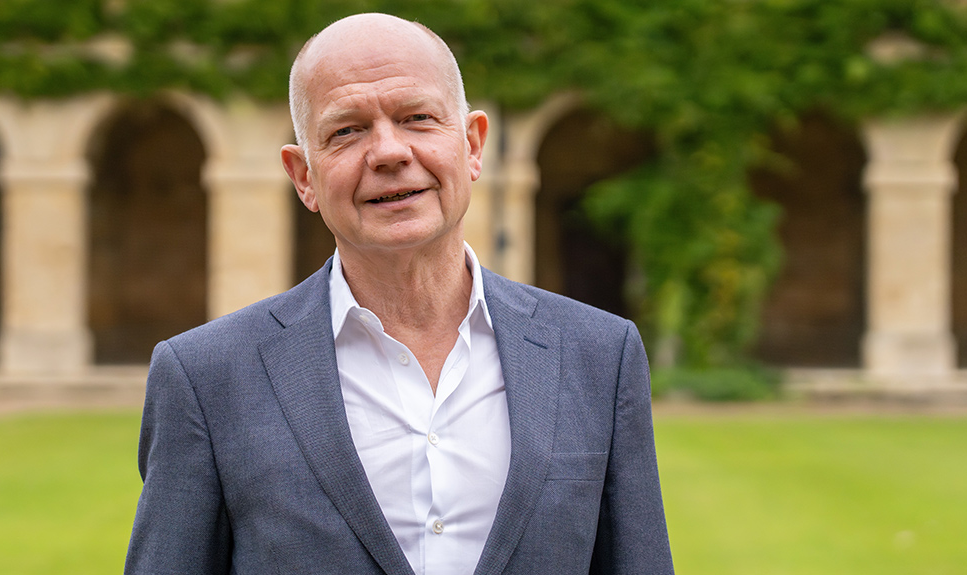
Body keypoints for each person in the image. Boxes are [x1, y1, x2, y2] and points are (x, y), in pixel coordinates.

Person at [124, 13, 673, 575]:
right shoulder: (205, 376)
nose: (388, 151)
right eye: (346, 131)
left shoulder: (599, 355)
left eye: (417, 118)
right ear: (304, 177)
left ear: (473, 144)